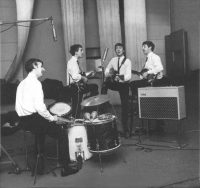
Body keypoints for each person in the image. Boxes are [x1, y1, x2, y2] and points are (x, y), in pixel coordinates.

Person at [15, 58, 81, 177]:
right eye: (41, 66)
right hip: (34, 120)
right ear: (34, 66)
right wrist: (53, 118)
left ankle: (38, 165)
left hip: (24, 121)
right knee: (61, 132)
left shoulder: (22, 83)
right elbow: (40, 108)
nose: (43, 69)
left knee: (41, 129)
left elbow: (18, 107)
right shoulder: (36, 83)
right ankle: (66, 167)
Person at [130, 41, 170, 133]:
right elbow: (146, 73)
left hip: (155, 83)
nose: (142, 48)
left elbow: (159, 68)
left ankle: (137, 103)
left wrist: (147, 73)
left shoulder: (155, 57)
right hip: (150, 81)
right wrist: (142, 75)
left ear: (150, 47)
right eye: (142, 46)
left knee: (132, 84)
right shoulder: (148, 59)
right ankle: (139, 104)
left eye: (144, 46)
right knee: (153, 102)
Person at [101, 43, 132, 138]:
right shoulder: (113, 60)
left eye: (120, 48)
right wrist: (109, 74)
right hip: (115, 83)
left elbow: (129, 76)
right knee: (105, 84)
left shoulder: (127, 61)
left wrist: (121, 79)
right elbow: (106, 70)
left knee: (125, 105)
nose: (118, 50)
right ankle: (103, 104)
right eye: (117, 48)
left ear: (123, 50)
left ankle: (125, 129)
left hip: (123, 84)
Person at [67, 44, 98, 118]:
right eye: (81, 50)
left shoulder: (76, 62)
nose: (83, 52)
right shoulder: (72, 62)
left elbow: (78, 74)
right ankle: (76, 122)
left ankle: (89, 108)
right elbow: (74, 76)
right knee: (76, 108)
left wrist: (88, 74)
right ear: (76, 52)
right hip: (75, 87)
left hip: (78, 86)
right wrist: (83, 78)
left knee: (94, 87)